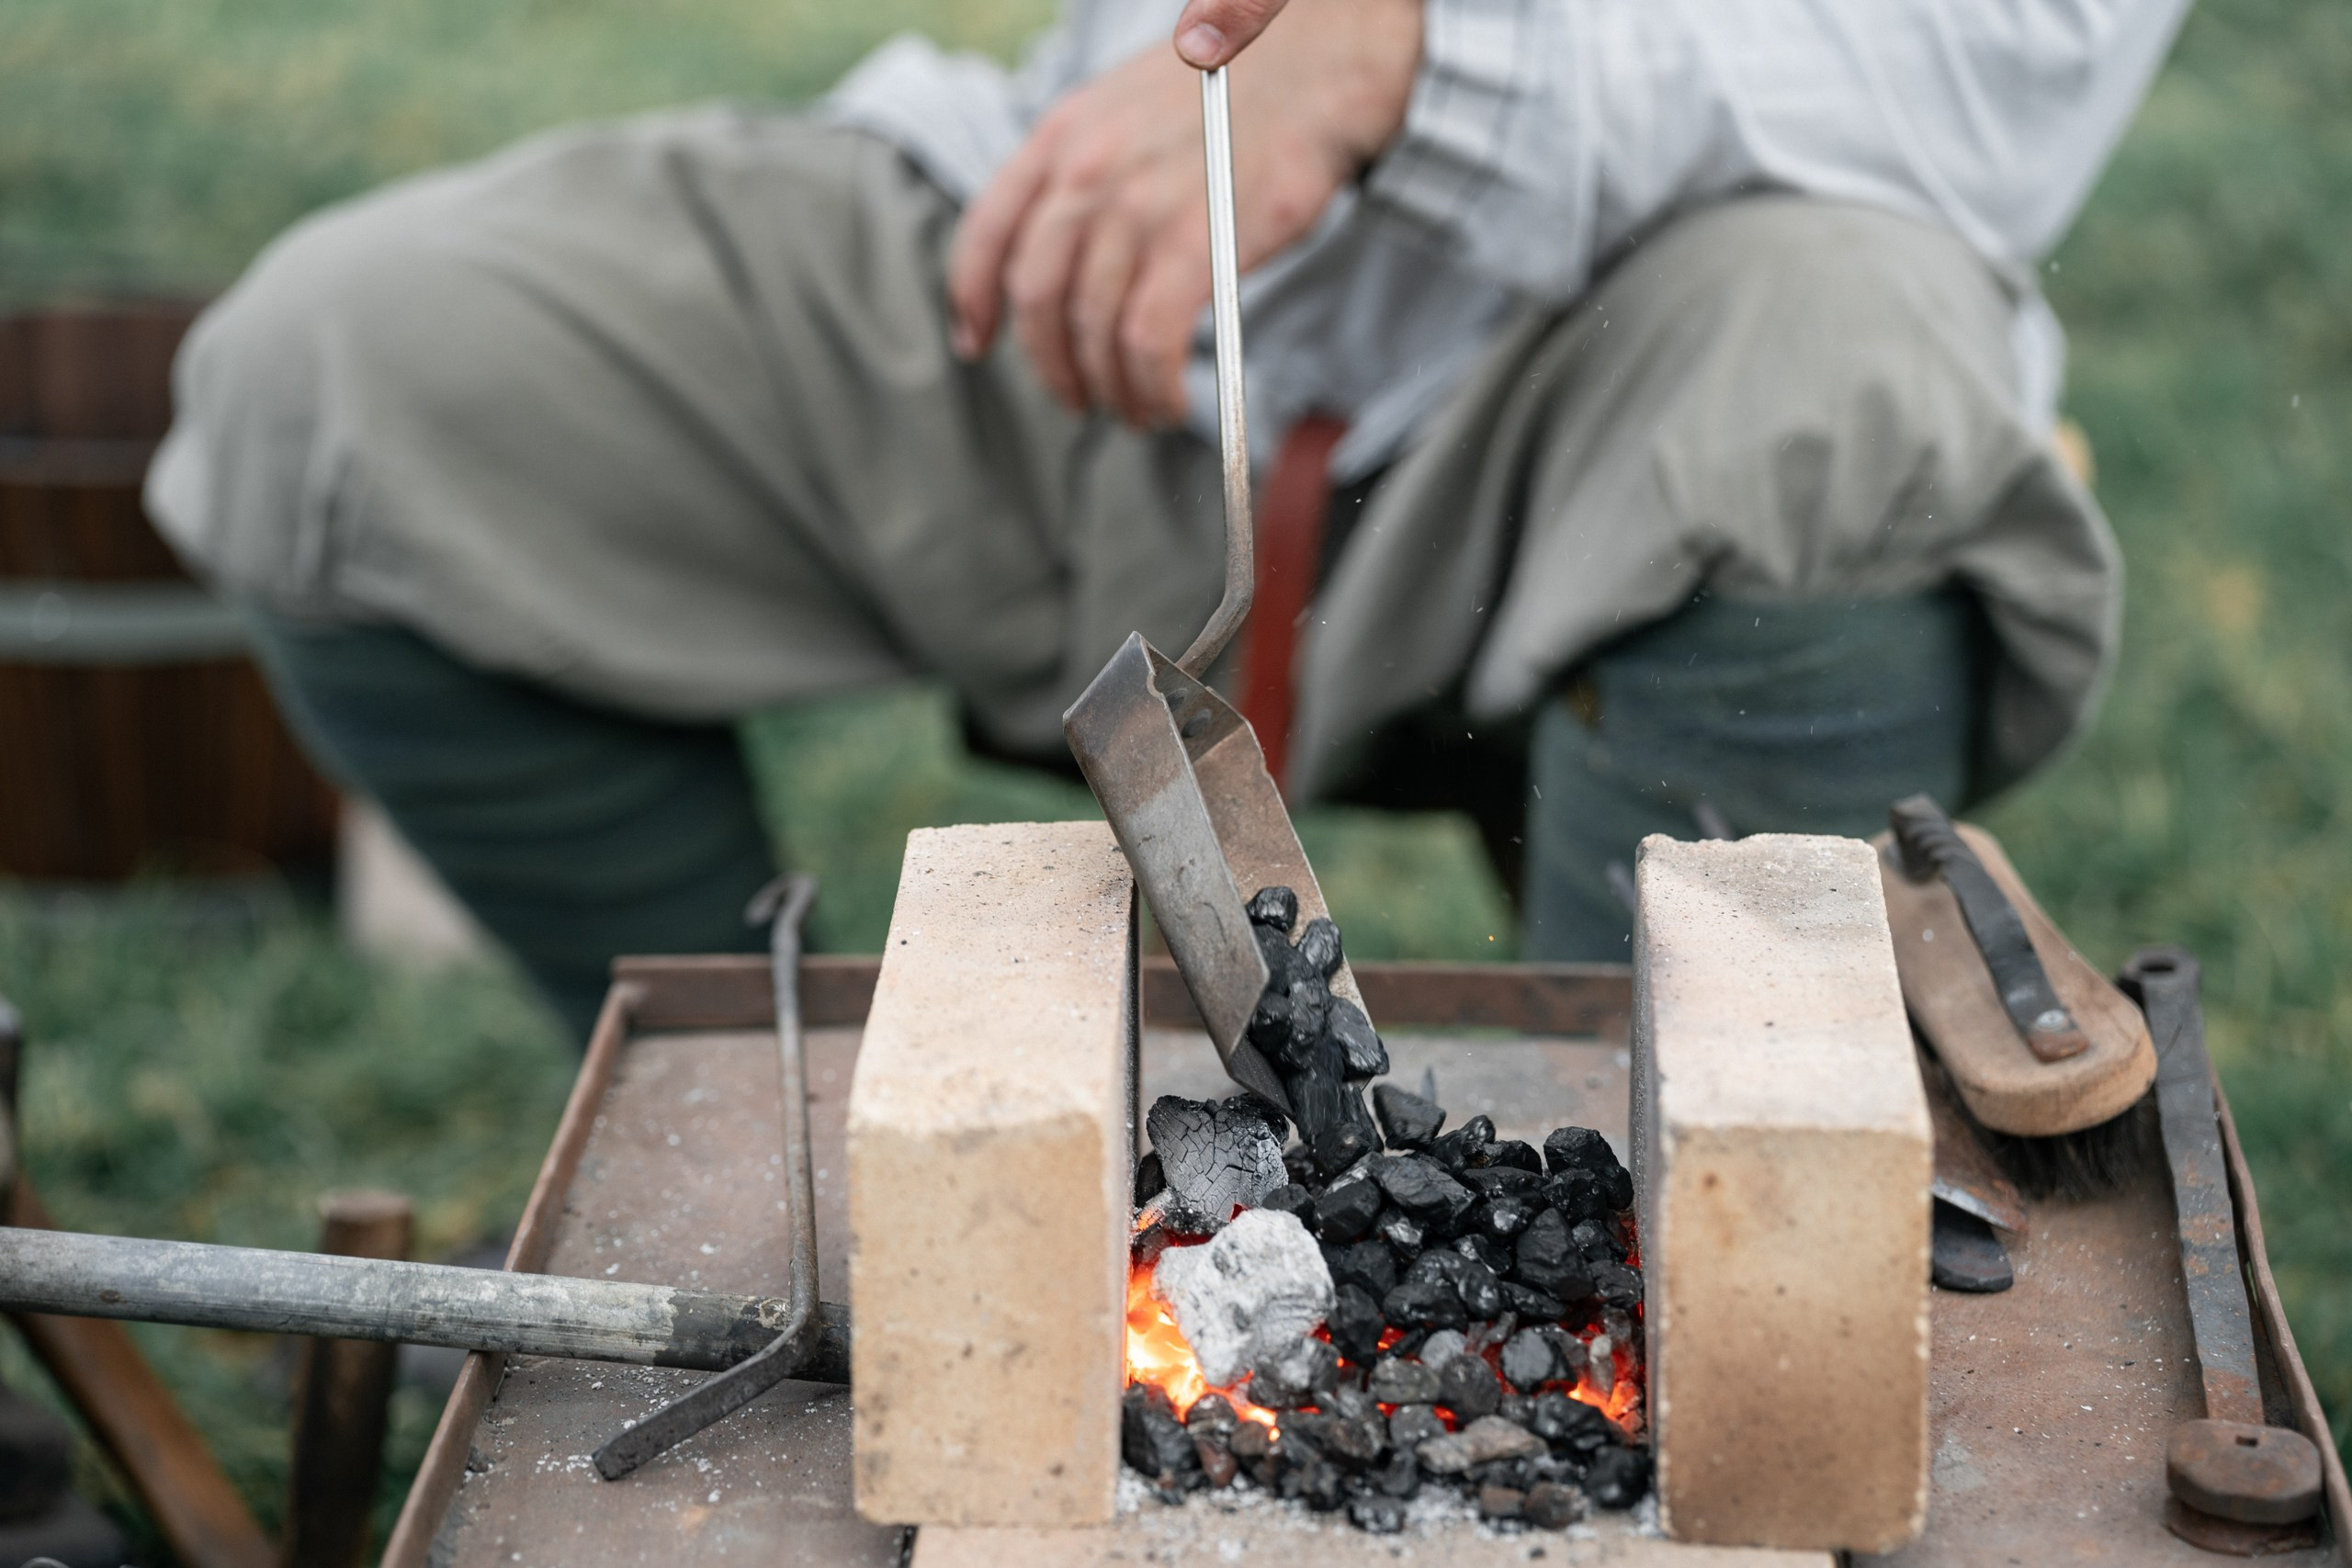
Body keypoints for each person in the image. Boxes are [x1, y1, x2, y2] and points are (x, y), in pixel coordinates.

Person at [148, 0, 2189, 1041]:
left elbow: (1987, 80)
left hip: (1634, 387)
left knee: (1839, 386)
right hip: (1104, 304)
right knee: (349, 376)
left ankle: (1665, 1262)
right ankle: (818, 1175)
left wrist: (1413, 52)